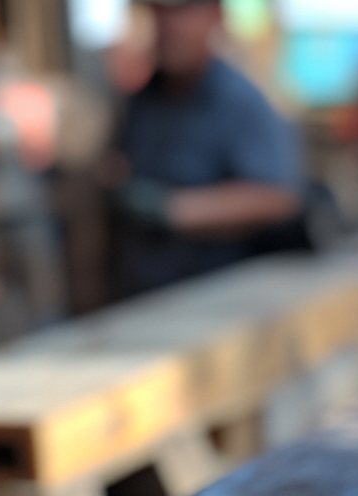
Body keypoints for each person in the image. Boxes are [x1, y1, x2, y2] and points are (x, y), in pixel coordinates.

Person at [113, 0, 301, 295]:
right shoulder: (143, 102)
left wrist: (173, 210)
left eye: (181, 11)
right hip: (146, 299)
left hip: (218, 300)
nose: (168, 25)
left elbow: (277, 196)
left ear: (215, 15)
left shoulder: (238, 100)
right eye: (159, 12)